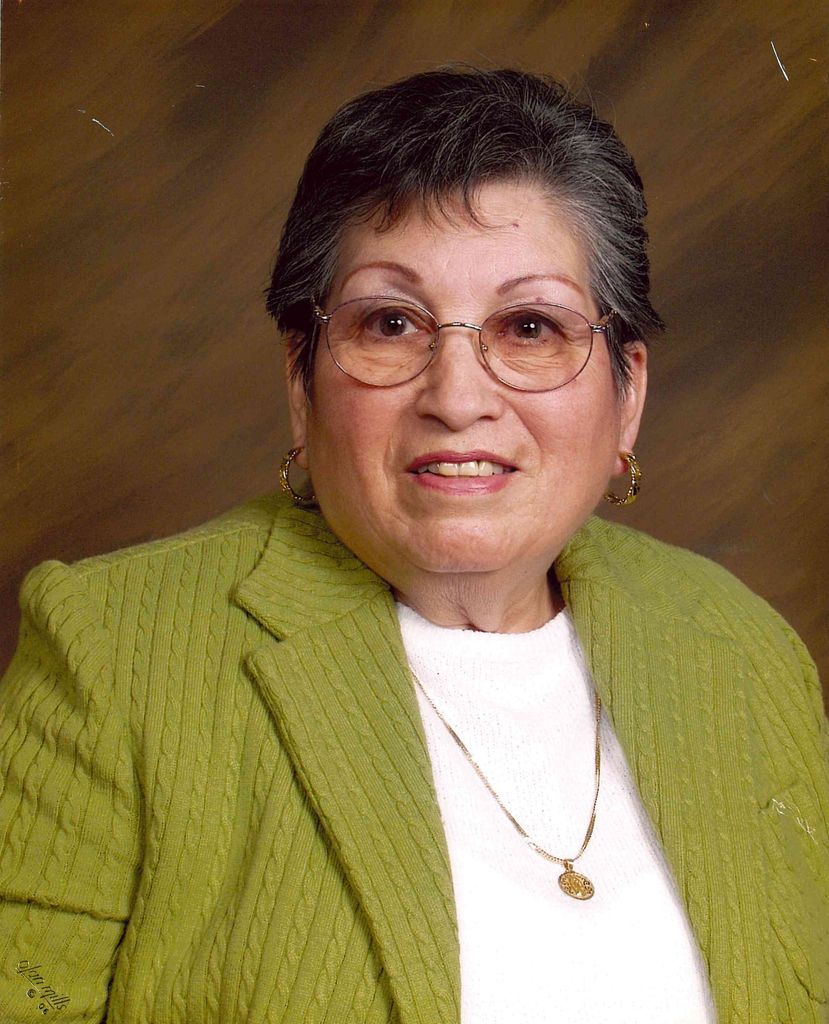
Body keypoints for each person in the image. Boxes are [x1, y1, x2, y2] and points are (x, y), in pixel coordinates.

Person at [1, 66, 827, 1024]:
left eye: (530, 326)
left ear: (626, 392)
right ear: (301, 381)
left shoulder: (738, 643)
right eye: (390, 323)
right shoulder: (117, 651)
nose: (458, 397)